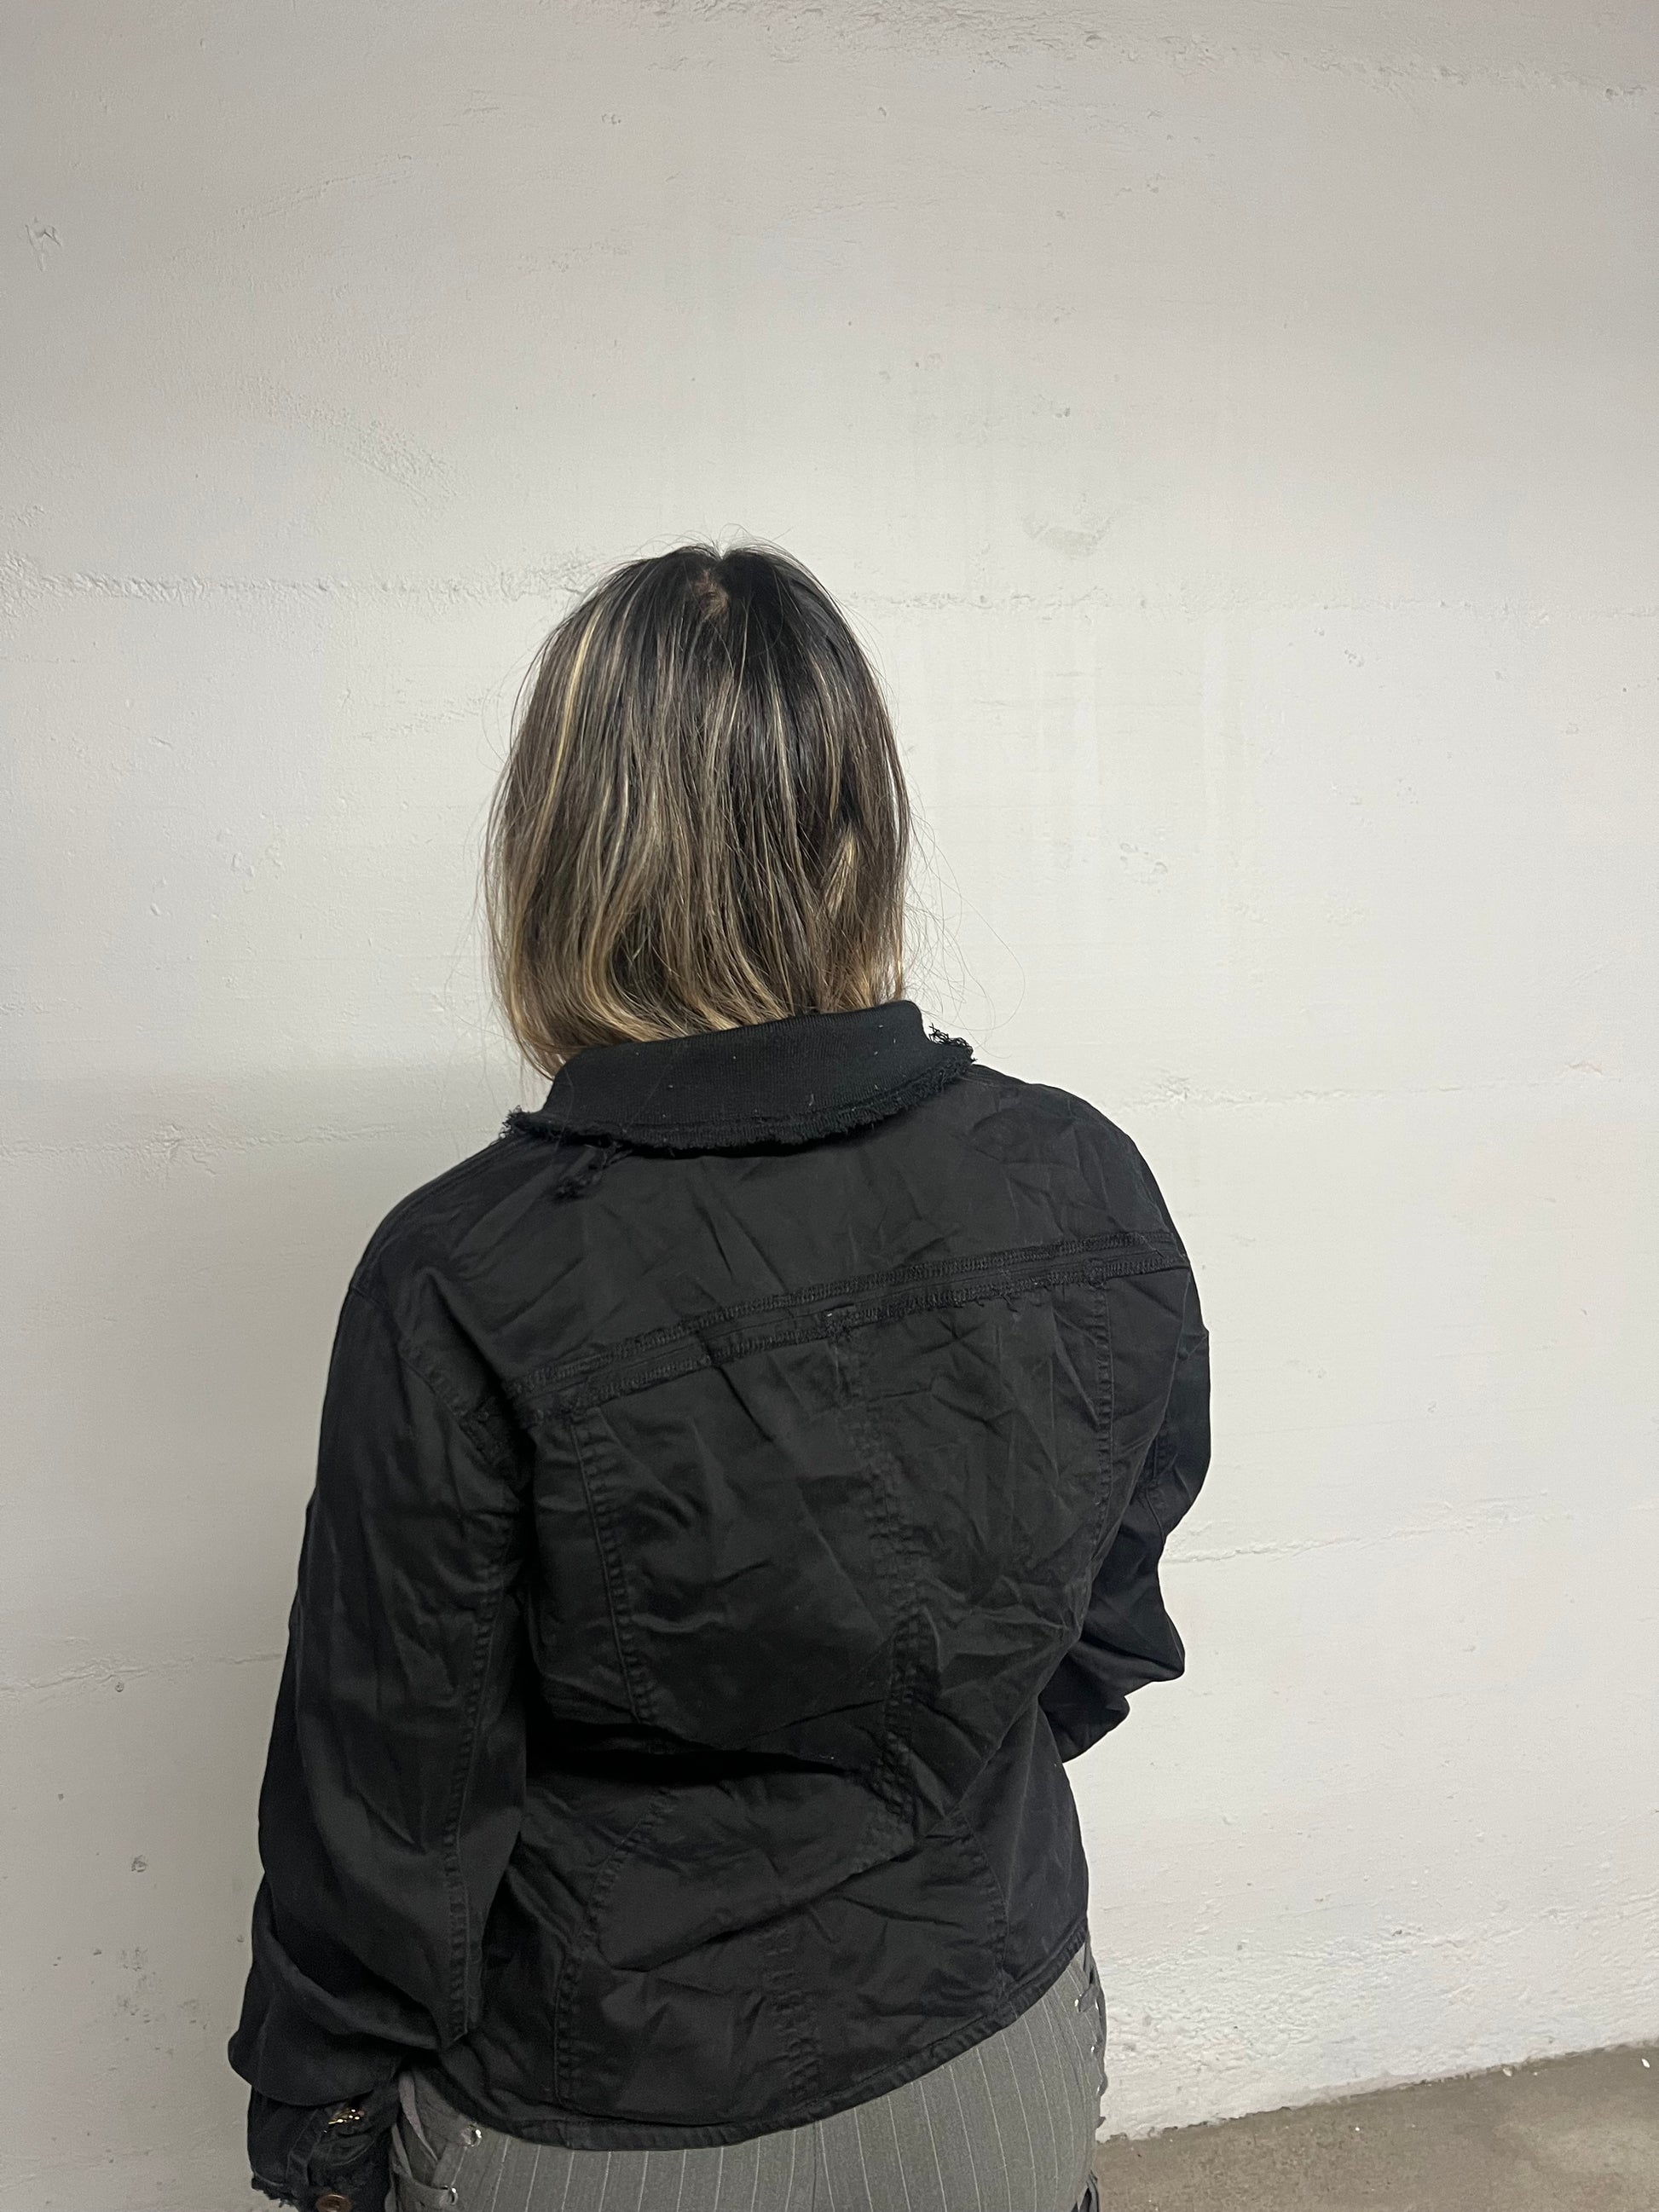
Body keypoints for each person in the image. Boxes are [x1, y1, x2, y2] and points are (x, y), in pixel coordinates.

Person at [228, 540, 1211, 2212]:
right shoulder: (1077, 1169)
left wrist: (320, 2115)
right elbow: (1104, 1610)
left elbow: (395, 1784)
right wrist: (916, 1778)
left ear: (560, 848)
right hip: (996, 2039)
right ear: (858, 828)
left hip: (619, 2097)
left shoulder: (463, 1271)